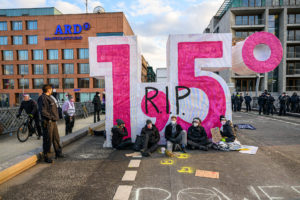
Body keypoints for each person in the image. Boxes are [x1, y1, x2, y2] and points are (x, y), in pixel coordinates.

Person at [38, 84, 64, 163]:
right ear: (48, 90)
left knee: (56, 138)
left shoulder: (49, 97)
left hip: (53, 121)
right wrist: (51, 117)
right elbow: (43, 111)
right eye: (51, 89)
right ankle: (47, 157)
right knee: (48, 140)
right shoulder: (42, 98)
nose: (52, 90)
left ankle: (58, 153)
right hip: (48, 122)